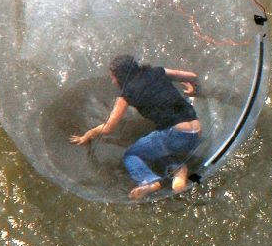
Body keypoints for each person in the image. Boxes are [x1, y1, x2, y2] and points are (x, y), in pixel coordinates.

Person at [70, 54, 201, 200]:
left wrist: (88, 134)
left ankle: (149, 181)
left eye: (113, 77)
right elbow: (192, 76)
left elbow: (108, 128)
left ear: (120, 76)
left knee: (132, 155)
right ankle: (178, 173)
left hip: (174, 135)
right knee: (155, 147)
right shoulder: (157, 71)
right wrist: (193, 89)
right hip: (195, 132)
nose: (113, 81)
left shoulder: (127, 93)